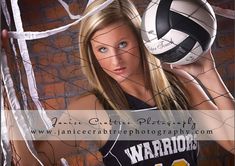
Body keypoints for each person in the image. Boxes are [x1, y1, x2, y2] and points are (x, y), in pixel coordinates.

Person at [1, 0, 234, 165]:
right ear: (92, 52)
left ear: (141, 39)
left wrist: (208, 72)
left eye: (123, 44)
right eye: (102, 49)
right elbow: (29, 163)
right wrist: (5, 88)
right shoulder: (93, 109)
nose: (115, 60)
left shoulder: (180, 87)